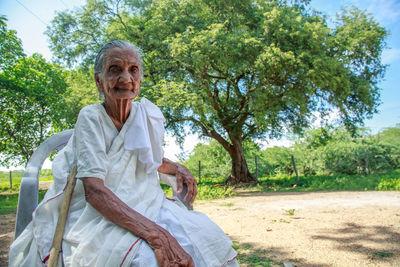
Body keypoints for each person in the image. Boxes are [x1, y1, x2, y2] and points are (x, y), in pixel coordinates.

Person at [9, 40, 238, 267]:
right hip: (95, 212)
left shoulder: (144, 114)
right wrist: (156, 236)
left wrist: (178, 168)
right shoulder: (91, 117)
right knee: (149, 260)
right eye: (115, 70)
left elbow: (147, 159)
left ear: (140, 80)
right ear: (99, 81)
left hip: (147, 202)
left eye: (133, 70)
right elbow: (94, 191)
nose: (126, 78)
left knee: (209, 240)